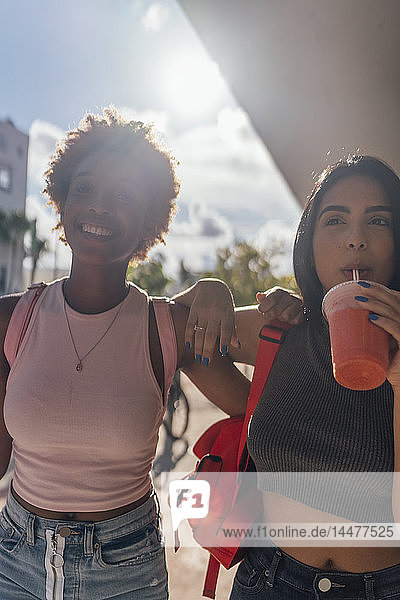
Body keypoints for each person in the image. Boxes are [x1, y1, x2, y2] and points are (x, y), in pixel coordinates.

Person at [0, 107, 300, 600]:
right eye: (85, 188)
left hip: (126, 568)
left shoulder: (168, 328)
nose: (98, 206)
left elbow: (260, 414)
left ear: (148, 221)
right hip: (16, 560)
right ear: (62, 200)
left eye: (123, 196)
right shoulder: (14, 319)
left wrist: (279, 308)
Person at [224, 155, 400, 599]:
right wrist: (208, 290)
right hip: (268, 579)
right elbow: (180, 330)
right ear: (310, 241)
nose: (356, 239)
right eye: (335, 221)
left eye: (378, 221)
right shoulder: (284, 330)